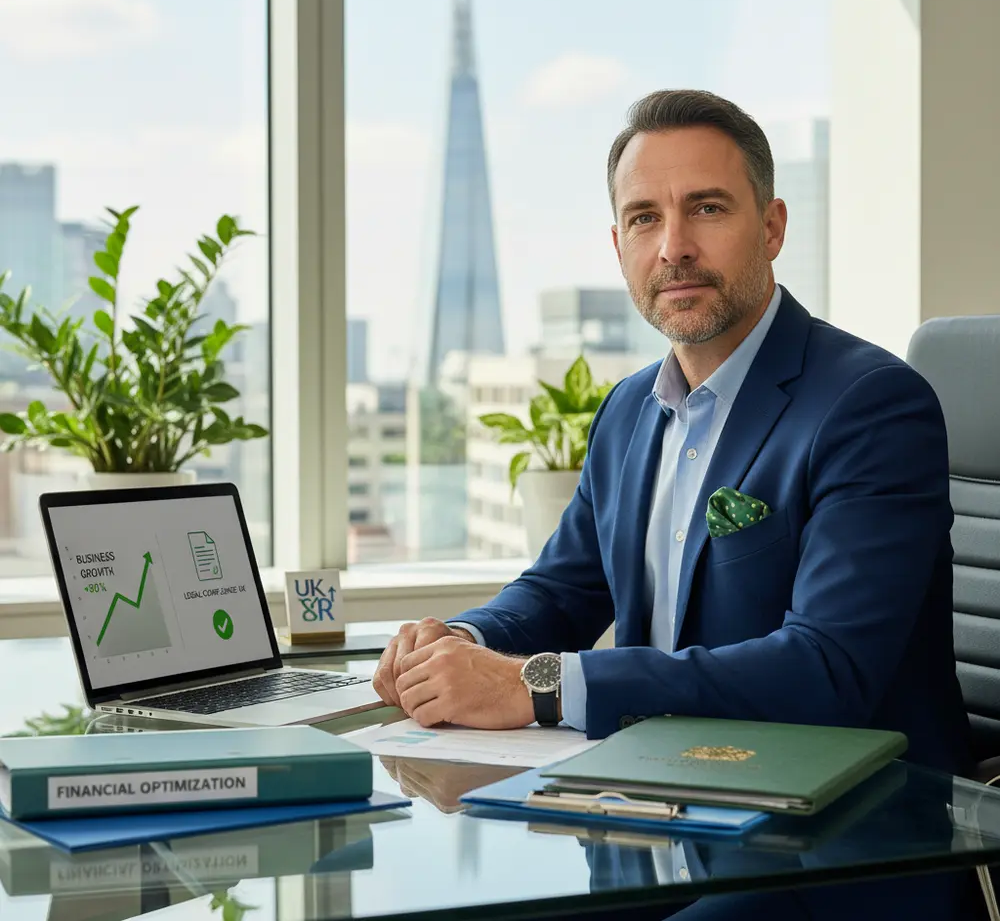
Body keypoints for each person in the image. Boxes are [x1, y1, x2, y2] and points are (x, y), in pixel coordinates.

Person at [372, 88, 970, 778]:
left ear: (772, 228)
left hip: (835, 840)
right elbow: (559, 592)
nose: (674, 248)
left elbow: (825, 669)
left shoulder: (871, 406)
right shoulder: (628, 410)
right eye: (644, 218)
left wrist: (536, 688)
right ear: (618, 246)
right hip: (655, 804)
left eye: (707, 209)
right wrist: (456, 642)